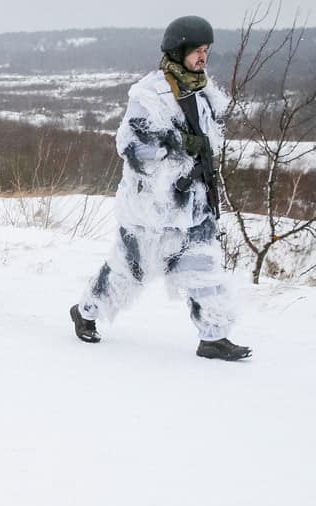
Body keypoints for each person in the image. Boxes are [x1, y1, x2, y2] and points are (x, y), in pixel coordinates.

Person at [69, 16, 251, 361]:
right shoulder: (148, 95)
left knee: (204, 269)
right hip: (150, 209)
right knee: (128, 273)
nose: (203, 57)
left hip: (194, 206)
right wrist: (179, 143)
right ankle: (87, 310)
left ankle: (213, 337)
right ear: (178, 50)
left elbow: (209, 144)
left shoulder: (203, 93)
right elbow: (133, 147)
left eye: (206, 50)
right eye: (197, 50)